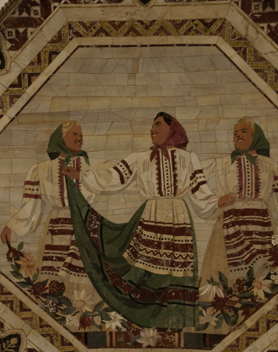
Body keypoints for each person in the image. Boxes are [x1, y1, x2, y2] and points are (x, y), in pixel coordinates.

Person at [61, 112, 235, 330]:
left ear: (172, 129)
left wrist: (217, 202)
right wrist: (82, 176)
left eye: (158, 125)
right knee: (146, 270)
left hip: (179, 220)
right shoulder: (141, 158)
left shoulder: (188, 158)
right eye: (152, 125)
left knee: (175, 270)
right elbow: (113, 178)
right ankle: (145, 319)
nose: (152, 129)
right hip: (151, 216)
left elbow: (199, 189)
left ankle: (174, 322)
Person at [1, 121, 109, 317]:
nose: (79, 138)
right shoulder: (41, 169)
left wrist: (81, 176)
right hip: (57, 224)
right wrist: (11, 226)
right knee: (54, 271)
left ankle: (86, 315)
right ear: (60, 138)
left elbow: (107, 184)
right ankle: (57, 313)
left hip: (84, 222)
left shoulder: (90, 166)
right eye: (74, 134)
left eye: (81, 135)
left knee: (85, 270)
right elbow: (31, 204)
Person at [200, 117, 278, 288]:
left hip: (261, 223)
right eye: (235, 133)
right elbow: (192, 177)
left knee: (262, 266)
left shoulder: (272, 165)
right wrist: (218, 201)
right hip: (230, 221)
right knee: (227, 271)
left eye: (243, 131)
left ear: (256, 136)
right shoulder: (221, 163)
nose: (238, 135)